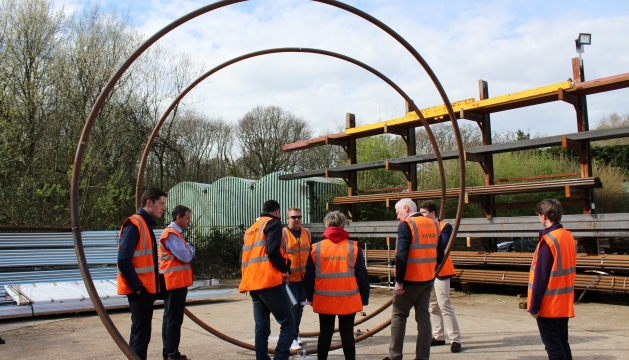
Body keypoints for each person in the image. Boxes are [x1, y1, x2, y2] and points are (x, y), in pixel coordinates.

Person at [303, 211, 369, 360]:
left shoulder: (316, 248)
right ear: (343, 225)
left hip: (324, 299)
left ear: (326, 225)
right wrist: (364, 297)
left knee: (325, 333)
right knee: (347, 333)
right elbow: (362, 275)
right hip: (348, 299)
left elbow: (309, 277)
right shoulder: (353, 247)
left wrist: (309, 297)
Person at [384, 198, 445, 360]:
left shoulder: (406, 226)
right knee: (424, 319)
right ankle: (422, 357)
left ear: (406, 208)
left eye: (398, 212)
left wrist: (399, 281)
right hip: (427, 280)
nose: (398, 217)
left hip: (409, 281)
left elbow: (402, 255)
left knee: (399, 316)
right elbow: (440, 255)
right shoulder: (434, 224)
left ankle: (394, 356)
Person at [239, 200, 295, 360]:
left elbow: (244, 257)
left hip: (253, 282)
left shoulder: (250, 230)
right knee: (288, 323)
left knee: (262, 327)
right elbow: (272, 251)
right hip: (268, 280)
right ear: (277, 212)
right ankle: (281, 357)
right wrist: (285, 269)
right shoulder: (273, 224)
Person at [117, 187, 167, 360]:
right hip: (140, 290)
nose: (163, 208)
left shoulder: (145, 224)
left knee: (140, 332)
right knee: (141, 335)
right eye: (161, 204)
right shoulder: (134, 224)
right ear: (149, 202)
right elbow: (123, 259)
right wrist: (137, 287)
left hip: (146, 289)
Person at [527, 199, 576, 360]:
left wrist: (534, 307)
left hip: (549, 304)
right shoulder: (567, 236)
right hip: (564, 301)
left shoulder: (548, 241)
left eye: (539, 216)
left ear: (544, 216)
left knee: (553, 347)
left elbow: (541, 277)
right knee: (562, 342)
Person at [419, 200, 462, 353]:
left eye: (424, 213)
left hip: (441, 270)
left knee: (444, 304)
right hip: (428, 270)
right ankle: (438, 336)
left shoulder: (444, 226)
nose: (421, 216)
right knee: (433, 305)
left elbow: (441, 246)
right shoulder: (423, 227)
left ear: (433, 213)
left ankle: (455, 339)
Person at [159, 205, 196, 360]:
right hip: (174, 281)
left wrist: (189, 249)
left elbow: (188, 250)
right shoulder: (172, 234)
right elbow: (185, 255)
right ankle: (172, 354)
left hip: (175, 281)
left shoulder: (175, 233)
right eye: (187, 218)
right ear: (178, 218)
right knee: (173, 320)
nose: (189, 221)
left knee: (170, 318)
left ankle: (169, 352)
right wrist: (190, 250)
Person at [282, 207, 312, 352]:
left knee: (300, 308)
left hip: (304, 278)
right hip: (290, 279)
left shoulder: (307, 232)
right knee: (291, 310)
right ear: (287, 219)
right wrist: (283, 274)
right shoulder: (283, 234)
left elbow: (310, 255)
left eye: (299, 217)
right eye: (293, 217)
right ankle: (291, 338)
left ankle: (296, 334)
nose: (297, 219)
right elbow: (279, 255)